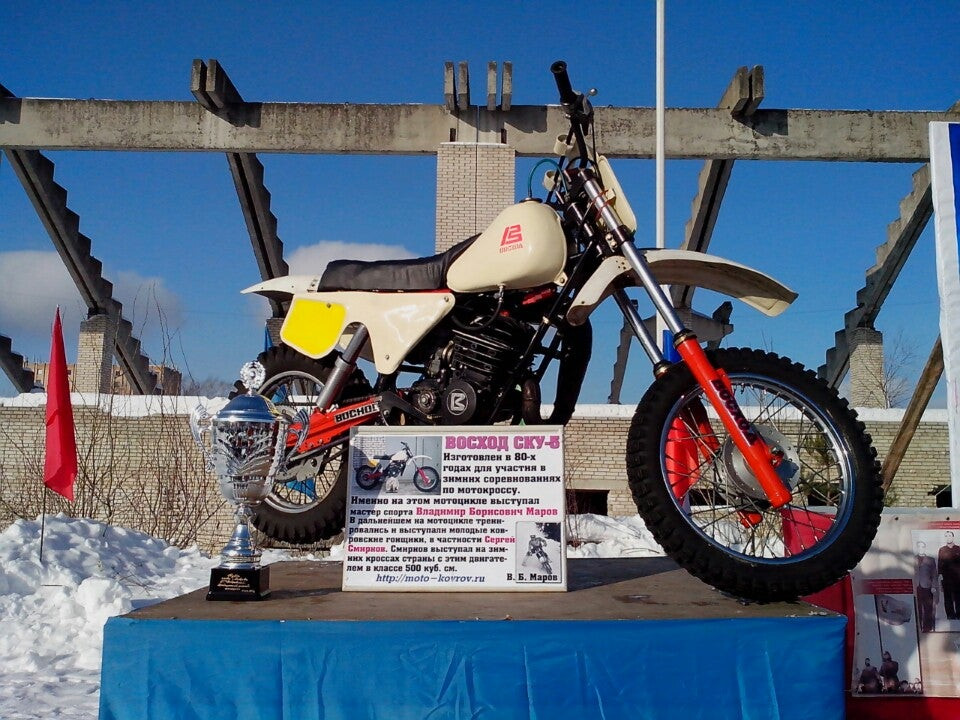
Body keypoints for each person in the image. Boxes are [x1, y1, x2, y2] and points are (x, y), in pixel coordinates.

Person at [915, 540, 938, 632]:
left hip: (927, 586)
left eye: (922, 546)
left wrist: (934, 586)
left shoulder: (930, 559)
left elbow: (934, 574)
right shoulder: (913, 559)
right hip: (916, 587)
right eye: (919, 546)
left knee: (928, 607)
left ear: (924, 548)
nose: (921, 548)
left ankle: (927, 627)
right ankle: (918, 626)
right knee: (918, 607)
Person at [937, 531, 960, 619]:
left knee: (958, 596)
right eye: (946, 536)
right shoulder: (942, 550)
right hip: (946, 578)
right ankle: (950, 615)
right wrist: (940, 575)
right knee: (947, 597)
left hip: (958, 577)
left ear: (953, 537)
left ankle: (959, 614)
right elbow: (939, 563)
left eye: (950, 536)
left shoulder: (958, 549)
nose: (948, 537)